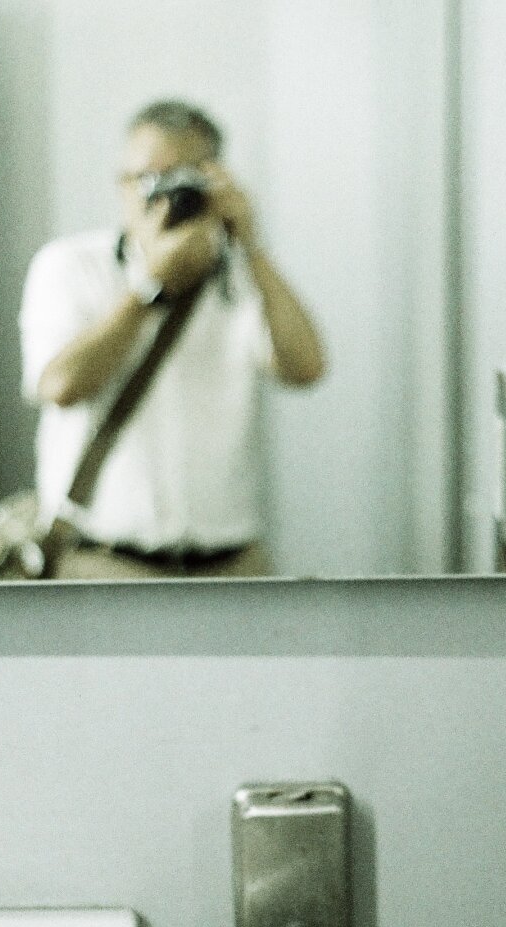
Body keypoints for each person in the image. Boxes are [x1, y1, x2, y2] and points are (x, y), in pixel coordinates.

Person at [19, 100, 325, 579]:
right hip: (103, 562)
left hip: (230, 566)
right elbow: (60, 386)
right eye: (142, 178)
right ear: (119, 186)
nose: (156, 196)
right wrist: (148, 288)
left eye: (178, 179)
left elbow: (305, 368)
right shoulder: (71, 266)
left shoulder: (239, 277)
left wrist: (251, 246)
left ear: (214, 181)